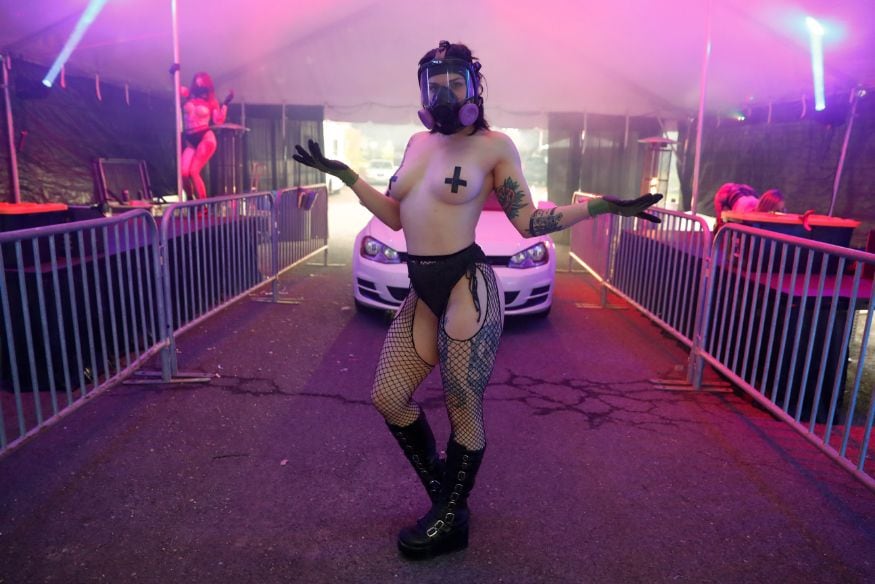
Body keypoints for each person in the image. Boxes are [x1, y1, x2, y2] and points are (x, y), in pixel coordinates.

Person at [292, 41, 662, 560]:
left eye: (455, 82)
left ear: (474, 87)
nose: (444, 93)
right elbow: (396, 217)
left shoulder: (495, 147)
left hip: (467, 285)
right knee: (388, 397)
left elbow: (528, 222)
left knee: (463, 404)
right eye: (434, 85)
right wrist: (347, 176)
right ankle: (450, 500)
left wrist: (599, 207)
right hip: (422, 288)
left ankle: (448, 517)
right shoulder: (417, 143)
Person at [180, 72, 233, 200]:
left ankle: (202, 204)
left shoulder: (211, 102)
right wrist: (174, 72)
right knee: (183, 173)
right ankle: (190, 199)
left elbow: (218, 120)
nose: (199, 84)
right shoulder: (188, 95)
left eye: (202, 82)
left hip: (205, 137)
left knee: (193, 171)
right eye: (197, 81)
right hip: (190, 139)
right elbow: (176, 88)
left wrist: (225, 104)